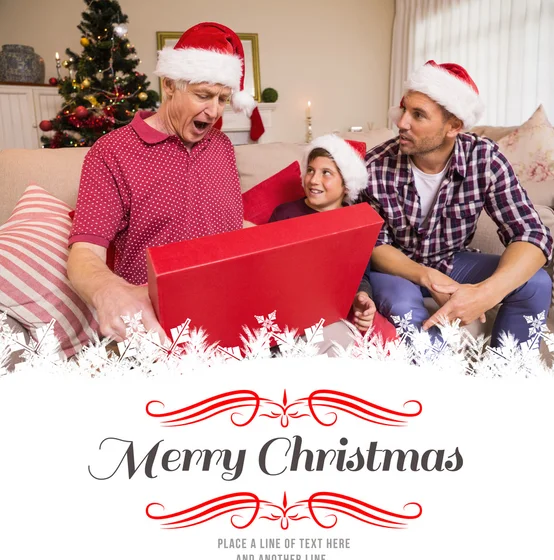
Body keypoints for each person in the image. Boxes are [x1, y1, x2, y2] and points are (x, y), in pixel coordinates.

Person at [67, 22, 264, 342]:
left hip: (230, 309)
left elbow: (227, 223)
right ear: (171, 84)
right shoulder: (112, 152)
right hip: (158, 324)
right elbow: (85, 252)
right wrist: (107, 291)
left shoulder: (222, 147)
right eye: (203, 95)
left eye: (223, 98)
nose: (214, 111)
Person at [366, 60, 553, 346]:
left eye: (418, 115)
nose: (402, 122)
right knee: (403, 305)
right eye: (404, 110)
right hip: (399, 270)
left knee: (536, 284)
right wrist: (428, 277)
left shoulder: (485, 158)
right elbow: (376, 246)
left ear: (453, 126)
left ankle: (508, 376)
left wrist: (486, 293)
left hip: (452, 262)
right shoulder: (375, 166)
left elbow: (532, 234)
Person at [269, 134, 396, 341]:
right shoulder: (284, 214)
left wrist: (362, 298)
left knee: (384, 337)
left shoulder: (355, 222)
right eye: (310, 170)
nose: (313, 179)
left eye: (326, 173)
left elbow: (360, 276)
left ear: (346, 184)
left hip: (338, 307)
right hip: (292, 306)